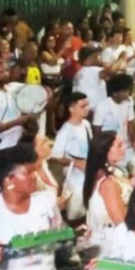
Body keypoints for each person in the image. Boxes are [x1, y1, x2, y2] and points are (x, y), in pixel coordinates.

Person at [51, 93, 92, 222]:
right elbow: (56, 156)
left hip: (88, 168)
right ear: (72, 108)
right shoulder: (65, 130)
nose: (87, 108)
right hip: (73, 171)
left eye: (87, 105)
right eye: (82, 105)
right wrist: (76, 163)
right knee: (77, 199)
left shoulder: (86, 124)